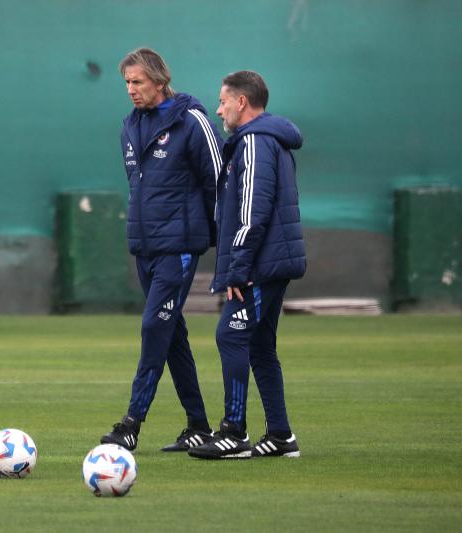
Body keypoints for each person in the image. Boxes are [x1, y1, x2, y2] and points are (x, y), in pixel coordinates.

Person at [100, 48, 224, 452]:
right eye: (126, 83)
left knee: (155, 326)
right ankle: (198, 425)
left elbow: (218, 185)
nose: (130, 89)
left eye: (137, 81)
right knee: (171, 334)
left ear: (159, 80)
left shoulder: (192, 121)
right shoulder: (130, 126)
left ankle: (131, 423)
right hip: (146, 247)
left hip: (179, 247)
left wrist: (224, 249)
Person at [188, 71, 305, 460]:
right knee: (259, 345)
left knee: (230, 336)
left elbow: (253, 212)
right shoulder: (260, 140)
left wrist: (238, 267)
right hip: (270, 260)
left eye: (223, 101)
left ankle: (234, 433)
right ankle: (281, 436)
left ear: (242, 102)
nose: (219, 109)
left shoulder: (254, 142)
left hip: (260, 264)